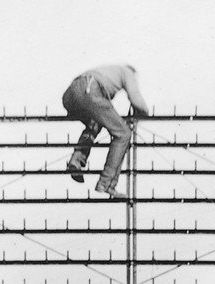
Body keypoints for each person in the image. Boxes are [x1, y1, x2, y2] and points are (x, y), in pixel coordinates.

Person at [61, 64, 150, 199]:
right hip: (90, 90)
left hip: (71, 95)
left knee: (94, 123)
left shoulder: (109, 71)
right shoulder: (127, 72)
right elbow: (135, 97)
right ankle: (106, 184)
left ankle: (77, 160)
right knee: (123, 134)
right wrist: (144, 112)